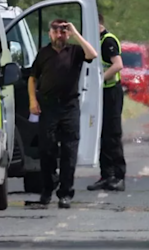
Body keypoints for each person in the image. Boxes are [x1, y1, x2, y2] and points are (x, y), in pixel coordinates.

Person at [28, 19, 97, 208]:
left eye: (63, 32)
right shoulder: (44, 53)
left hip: (69, 106)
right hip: (48, 106)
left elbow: (93, 54)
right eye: (56, 31)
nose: (60, 35)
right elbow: (32, 78)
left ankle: (65, 193)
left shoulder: (75, 51)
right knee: (47, 149)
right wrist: (32, 101)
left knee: (69, 150)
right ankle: (47, 189)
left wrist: (75, 33)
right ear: (50, 33)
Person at [87, 13, 126, 192]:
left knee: (113, 133)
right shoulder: (95, 41)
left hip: (111, 92)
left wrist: (99, 79)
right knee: (101, 134)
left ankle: (118, 176)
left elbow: (117, 64)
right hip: (101, 92)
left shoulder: (108, 41)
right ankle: (106, 175)